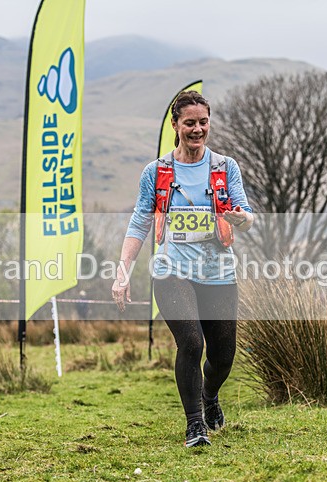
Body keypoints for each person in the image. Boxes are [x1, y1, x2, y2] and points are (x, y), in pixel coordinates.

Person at [112, 91, 253, 448]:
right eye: (189, 123)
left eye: (203, 122)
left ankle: (210, 395)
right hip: (171, 270)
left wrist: (241, 218)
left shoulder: (225, 167)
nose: (197, 129)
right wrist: (122, 271)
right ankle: (195, 425)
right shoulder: (156, 172)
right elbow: (139, 223)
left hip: (218, 272)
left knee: (223, 357)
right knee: (191, 342)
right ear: (175, 125)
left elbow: (246, 214)